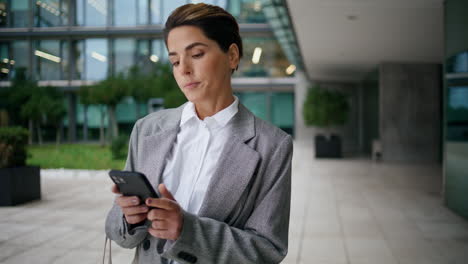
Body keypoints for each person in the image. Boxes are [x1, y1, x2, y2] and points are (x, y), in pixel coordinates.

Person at [105, 3, 293, 264]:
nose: (183, 70)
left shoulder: (272, 146)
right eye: (175, 60)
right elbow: (116, 229)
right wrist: (128, 217)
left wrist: (187, 231)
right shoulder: (147, 129)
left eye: (196, 54)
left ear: (232, 56)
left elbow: (267, 250)